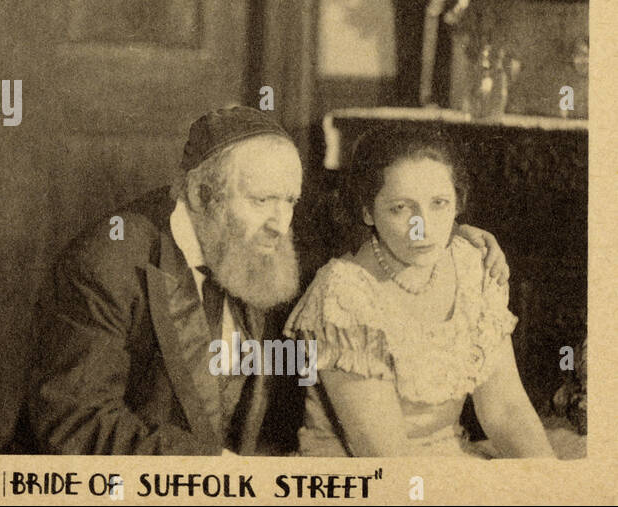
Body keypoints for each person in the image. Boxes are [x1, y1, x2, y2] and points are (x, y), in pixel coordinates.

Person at [27, 106, 509, 456]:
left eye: (290, 201)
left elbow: (381, 240)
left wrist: (454, 242)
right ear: (201, 194)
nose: (282, 224)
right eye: (261, 201)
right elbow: (76, 419)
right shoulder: (107, 262)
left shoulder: (271, 240)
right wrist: (212, 470)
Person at [284, 126, 554, 457]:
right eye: (400, 208)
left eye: (439, 203)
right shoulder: (343, 294)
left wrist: (548, 479)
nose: (422, 226)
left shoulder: (471, 265)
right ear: (368, 211)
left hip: (448, 462)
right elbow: (386, 456)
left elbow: (506, 412)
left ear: (458, 204)